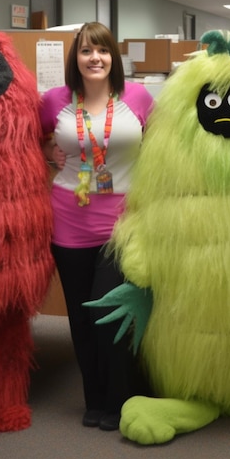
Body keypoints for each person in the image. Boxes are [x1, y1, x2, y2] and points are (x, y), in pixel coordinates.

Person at [40, 22, 154, 431]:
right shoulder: (55, 100)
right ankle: (95, 398)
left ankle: (120, 398)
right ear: (76, 59)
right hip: (69, 220)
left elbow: (158, 148)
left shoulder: (137, 97)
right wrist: (49, 153)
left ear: (113, 58)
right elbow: (33, 141)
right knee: (81, 316)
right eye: (87, 51)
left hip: (124, 222)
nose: (95, 58)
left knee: (111, 310)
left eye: (102, 51)